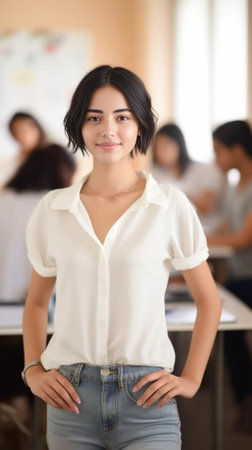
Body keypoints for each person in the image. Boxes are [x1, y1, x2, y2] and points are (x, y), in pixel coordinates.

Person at [22, 65, 221, 450]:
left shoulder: (170, 206)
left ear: (141, 125)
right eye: (94, 118)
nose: (108, 130)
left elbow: (209, 300)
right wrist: (32, 370)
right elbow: (35, 303)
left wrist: (191, 379)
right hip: (71, 400)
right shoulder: (53, 210)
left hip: (147, 400)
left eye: (122, 117)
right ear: (79, 126)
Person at [0, 144, 76, 422]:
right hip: (45, 313)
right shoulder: (57, 205)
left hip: (4, 313)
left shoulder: (4, 199)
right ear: (63, 171)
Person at [208, 120, 252, 433]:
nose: (216, 160)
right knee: (228, 333)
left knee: (227, 327)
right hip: (241, 276)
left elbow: (241, 240)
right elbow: (226, 230)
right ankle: (245, 401)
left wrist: (198, 243)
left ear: (237, 149)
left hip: (249, 279)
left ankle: (246, 401)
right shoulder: (236, 185)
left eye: (219, 152)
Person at [152, 123, 225, 233]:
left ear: (179, 145)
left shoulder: (204, 170)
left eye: (167, 145)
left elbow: (206, 207)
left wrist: (175, 193)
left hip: (206, 230)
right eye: (158, 146)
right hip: (172, 230)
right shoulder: (155, 174)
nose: (161, 151)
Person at [0, 111, 48, 187]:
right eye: (20, 131)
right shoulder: (13, 163)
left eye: (29, 128)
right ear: (14, 135)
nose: (26, 134)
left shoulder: (51, 158)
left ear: (38, 129)